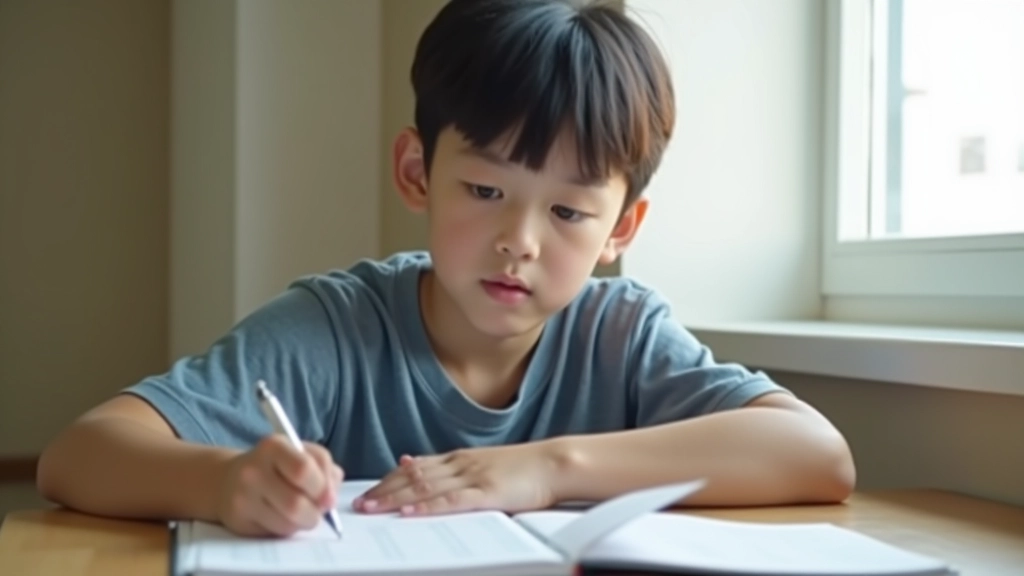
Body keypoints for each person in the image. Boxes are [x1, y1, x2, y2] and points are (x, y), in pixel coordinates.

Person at [37, 0, 855, 538]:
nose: (519, 241)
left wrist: (545, 468)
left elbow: (816, 454)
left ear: (622, 228)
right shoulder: (339, 327)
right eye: (486, 190)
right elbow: (78, 455)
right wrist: (223, 485)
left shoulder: (621, 332)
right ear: (417, 172)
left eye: (568, 212)